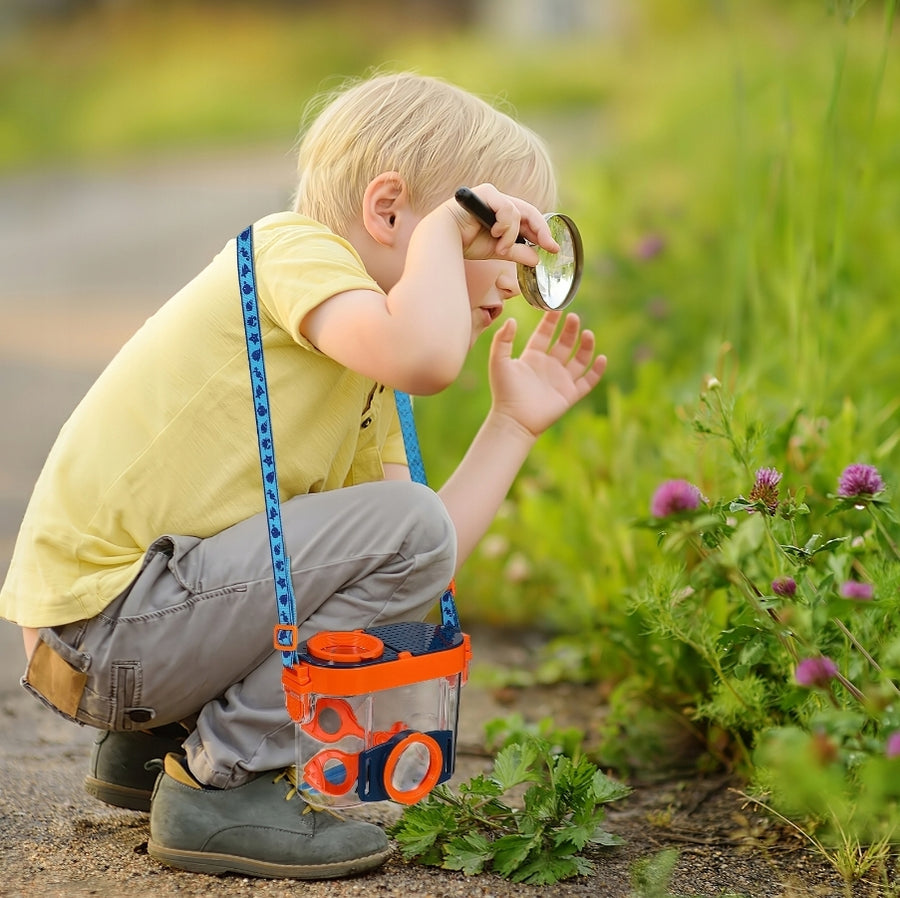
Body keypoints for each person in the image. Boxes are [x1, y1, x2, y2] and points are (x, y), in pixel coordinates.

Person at [1, 72, 607, 880]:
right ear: (389, 211)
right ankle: (223, 779)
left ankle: (155, 749)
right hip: (106, 634)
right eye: (497, 239)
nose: (514, 280)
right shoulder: (292, 251)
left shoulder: (363, 368)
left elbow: (422, 556)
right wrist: (437, 237)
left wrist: (510, 427)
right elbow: (427, 362)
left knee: (404, 528)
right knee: (402, 525)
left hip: (125, 641)